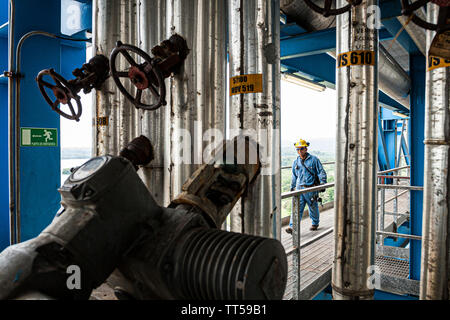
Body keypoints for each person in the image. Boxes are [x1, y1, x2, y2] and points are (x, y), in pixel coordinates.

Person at [286, 139, 327, 233]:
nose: (299, 151)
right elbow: (294, 176)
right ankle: (292, 227)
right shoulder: (296, 162)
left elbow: (321, 171)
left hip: (311, 188)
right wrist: (292, 187)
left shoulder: (314, 160)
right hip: (299, 188)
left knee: (313, 207)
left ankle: (315, 223)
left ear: (306, 149)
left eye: (301, 149)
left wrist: (322, 183)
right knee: (296, 208)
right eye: (297, 149)